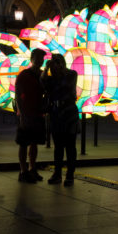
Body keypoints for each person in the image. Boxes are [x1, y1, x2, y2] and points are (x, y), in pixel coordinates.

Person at [42, 53, 79, 186]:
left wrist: (60, 69)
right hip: (56, 113)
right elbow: (42, 82)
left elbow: (67, 85)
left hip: (69, 113)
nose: (55, 66)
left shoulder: (71, 74)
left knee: (70, 146)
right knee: (58, 146)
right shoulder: (51, 80)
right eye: (53, 63)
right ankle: (57, 174)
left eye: (57, 62)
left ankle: (70, 175)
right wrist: (46, 69)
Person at [14, 48, 47, 183]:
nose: (40, 60)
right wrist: (21, 113)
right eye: (38, 57)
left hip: (37, 112)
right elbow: (18, 96)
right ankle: (24, 170)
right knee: (24, 142)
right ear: (32, 58)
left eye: (42, 58)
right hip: (27, 113)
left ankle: (31, 169)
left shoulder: (41, 75)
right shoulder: (25, 75)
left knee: (33, 142)